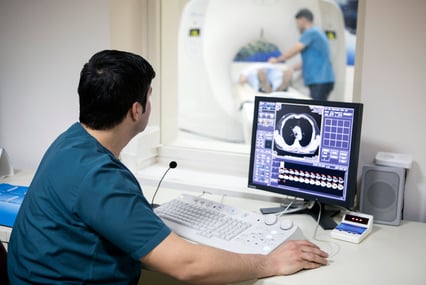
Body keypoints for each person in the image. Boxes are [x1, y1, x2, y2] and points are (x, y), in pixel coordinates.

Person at [7, 50, 328, 285]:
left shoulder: (70, 143)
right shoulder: (100, 178)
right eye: (149, 96)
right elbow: (186, 265)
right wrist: (268, 262)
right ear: (136, 110)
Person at [269, 8, 335, 100]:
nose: (297, 26)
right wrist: (292, 68)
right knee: (316, 108)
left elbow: (294, 51)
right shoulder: (316, 33)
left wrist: (277, 60)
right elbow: (308, 61)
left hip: (320, 80)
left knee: (316, 110)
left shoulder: (311, 32)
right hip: (321, 80)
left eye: (297, 23)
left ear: (303, 20)